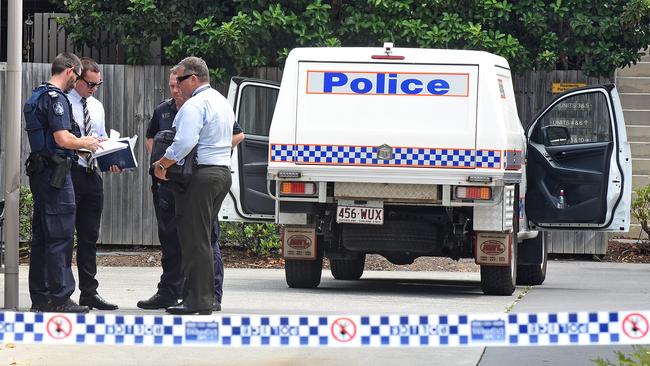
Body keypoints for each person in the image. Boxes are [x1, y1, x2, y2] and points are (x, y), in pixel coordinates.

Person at [139, 67, 244, 312]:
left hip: (201, 176)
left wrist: (162, 164)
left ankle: (197, 300)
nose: (177, 86)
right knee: (204, 238)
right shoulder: (221, 101)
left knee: (194, 240)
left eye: (181, 80)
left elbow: (184, 141)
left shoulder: (195, 105)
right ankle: (204, 298)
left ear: (194, 78)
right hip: (221, 173)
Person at [24, 52, 101, 313]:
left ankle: (41, 297)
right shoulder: (56, 99)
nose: (76, 81)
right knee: (60, 235)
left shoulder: (37, 95)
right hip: (56, 175)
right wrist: (86, 143)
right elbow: (62, 139)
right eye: (77, 76)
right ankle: (60, 297)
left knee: (43, 236)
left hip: (42, 173)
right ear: (70, 71)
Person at [66, 57, 119, 310]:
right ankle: (62, 291)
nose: (93, 89)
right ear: (77, 79)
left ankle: (89, 292)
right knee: (65, 234)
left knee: (89, 237)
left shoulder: (96, 106)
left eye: (97, 85)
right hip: (72, 173)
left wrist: (112, 153)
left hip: (93, 174)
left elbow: (100, 138)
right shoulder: (64, 102)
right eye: (90, 84)